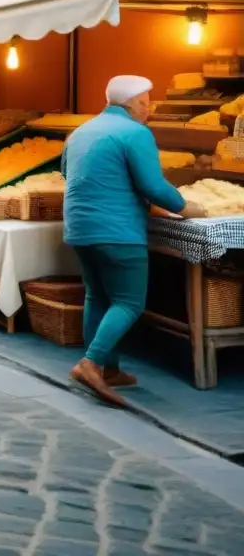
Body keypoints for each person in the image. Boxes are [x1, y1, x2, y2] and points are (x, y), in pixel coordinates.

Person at [63, 75, 206, 407]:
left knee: (97, 295)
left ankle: (109, 370)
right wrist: (188, 208)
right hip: (117, 230)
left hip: (79, 228)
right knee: (129, 302)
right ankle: (92, 363)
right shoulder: (135, 133)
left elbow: (70, 175)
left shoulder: (81, 131)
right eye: (146, 102)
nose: (149, 109)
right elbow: (153, 186)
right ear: (130, 105)